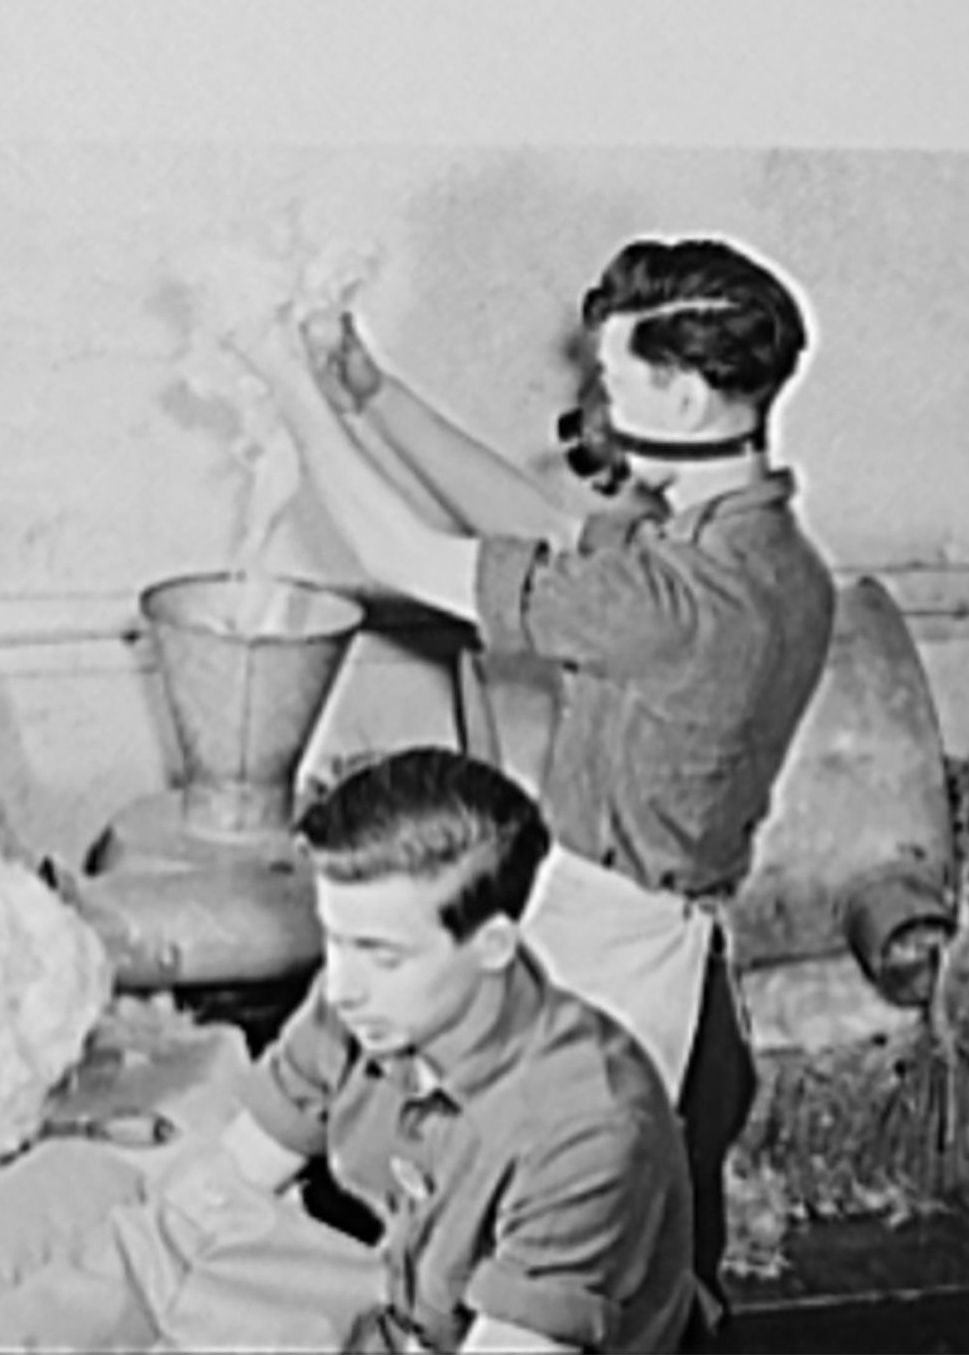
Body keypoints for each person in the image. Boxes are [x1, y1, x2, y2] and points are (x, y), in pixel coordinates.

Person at [236, 235, 839, 1323]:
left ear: (689, 400)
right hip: (656, 929)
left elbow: (407, 555)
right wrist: (368, 393)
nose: (597, 406)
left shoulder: (678, 605)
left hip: (603, 943)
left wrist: (284, 383)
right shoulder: (761, 558)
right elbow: (536, 530)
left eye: (613, 382)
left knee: (512, 1247)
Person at [211, 744, 695, 1354]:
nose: (342, 986)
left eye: (383, 955)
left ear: (493, 946)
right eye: (336, 941)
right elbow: (220, 1193)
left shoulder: (590, 1129)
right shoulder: (364, 1008)